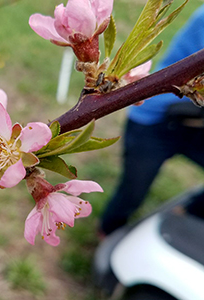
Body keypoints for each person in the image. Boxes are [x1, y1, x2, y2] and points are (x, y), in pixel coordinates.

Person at [100, 5, 204, 236]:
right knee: (132, 191)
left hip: (197, 124)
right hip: (156, 121)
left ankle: (189, 215)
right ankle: (108, 234)